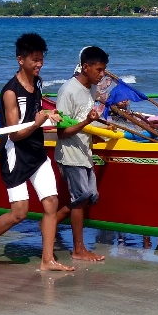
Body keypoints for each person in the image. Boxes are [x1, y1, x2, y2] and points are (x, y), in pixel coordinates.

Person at [0, 33, 69, 271]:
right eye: (34, 60)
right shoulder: (10, 92)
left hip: (36, 151)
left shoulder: (38, 82)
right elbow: (14, 134)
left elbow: (39, 106)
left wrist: (50, 115)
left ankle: (48, 260)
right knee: (19, 213)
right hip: (14, 153)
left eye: (41, 59)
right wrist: (37, 123)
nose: (39, 64)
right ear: (20, 59)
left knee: (51, 203)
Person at [54, 46, 109, 262]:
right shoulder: (68, 90)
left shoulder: (91, 89)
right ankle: (78, 250)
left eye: (104, 70)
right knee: (80, 199)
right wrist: (87, 122)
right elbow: (62, 132)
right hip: (70, 154)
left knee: (91, 197)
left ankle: (48, 222)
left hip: (85, 153)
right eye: (99, 70)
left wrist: (99, 133)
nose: (102, 74)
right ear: (85, 67)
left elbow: (88, 121)